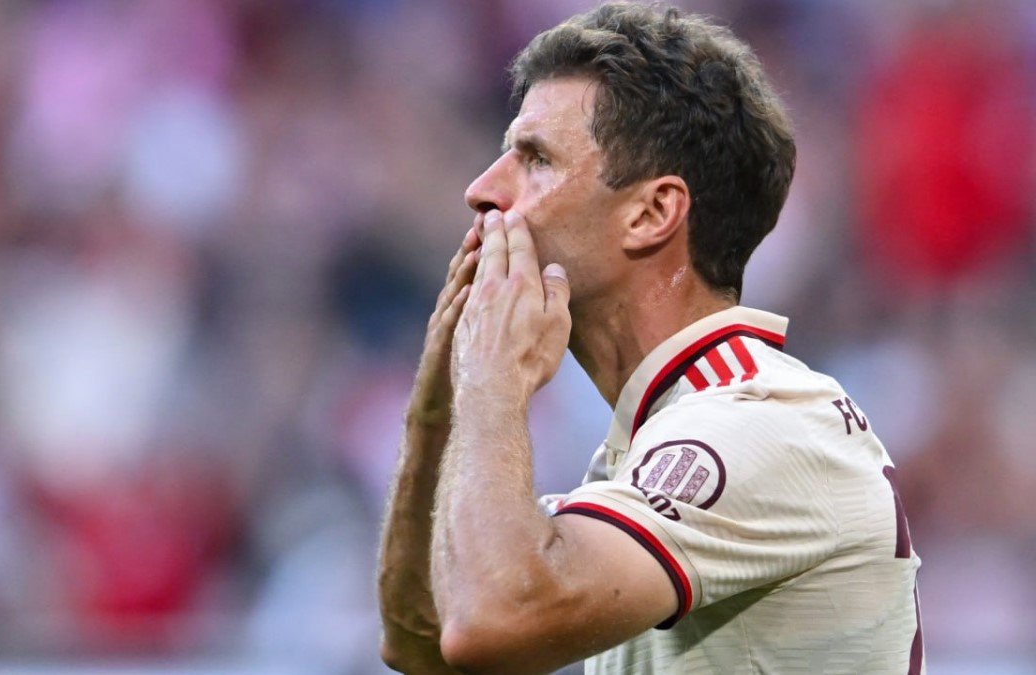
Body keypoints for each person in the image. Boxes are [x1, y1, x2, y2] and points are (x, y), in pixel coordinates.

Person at [376, 3, 923, 673]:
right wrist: (439, 406)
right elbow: (422, 639)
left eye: (536, 159)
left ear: (652, 213)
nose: (481, 190)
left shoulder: (759, 422)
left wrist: (492, 381)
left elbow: (489, 623)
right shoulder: (656, 436)